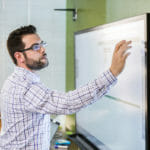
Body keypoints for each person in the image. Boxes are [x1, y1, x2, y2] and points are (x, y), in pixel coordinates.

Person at [0, 25, 131, 150]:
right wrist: (112, 73)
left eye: (41, 44)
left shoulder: (15, 80)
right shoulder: (25, 87)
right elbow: (68, 102)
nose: (42, 49)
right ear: (19, 56)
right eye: (35, 47)